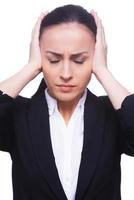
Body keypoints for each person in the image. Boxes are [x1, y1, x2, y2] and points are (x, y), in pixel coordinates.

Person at [0, 4, 134, 200]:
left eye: (79, 60)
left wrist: (103, 71)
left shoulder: (113, 115)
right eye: (53, 60)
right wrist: (30, 68)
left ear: (96, 57)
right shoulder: (18, 115)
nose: (65, 74)